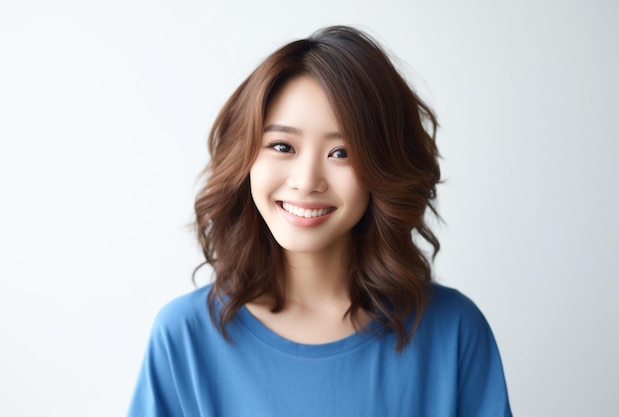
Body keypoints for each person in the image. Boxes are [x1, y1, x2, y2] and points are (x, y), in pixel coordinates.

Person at [127, 25, 513, 416]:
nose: (307, 181)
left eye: (342, 152)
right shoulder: (184, 338)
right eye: (283, 146)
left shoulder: (454, 332)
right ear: (244, 158)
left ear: (384, 168)